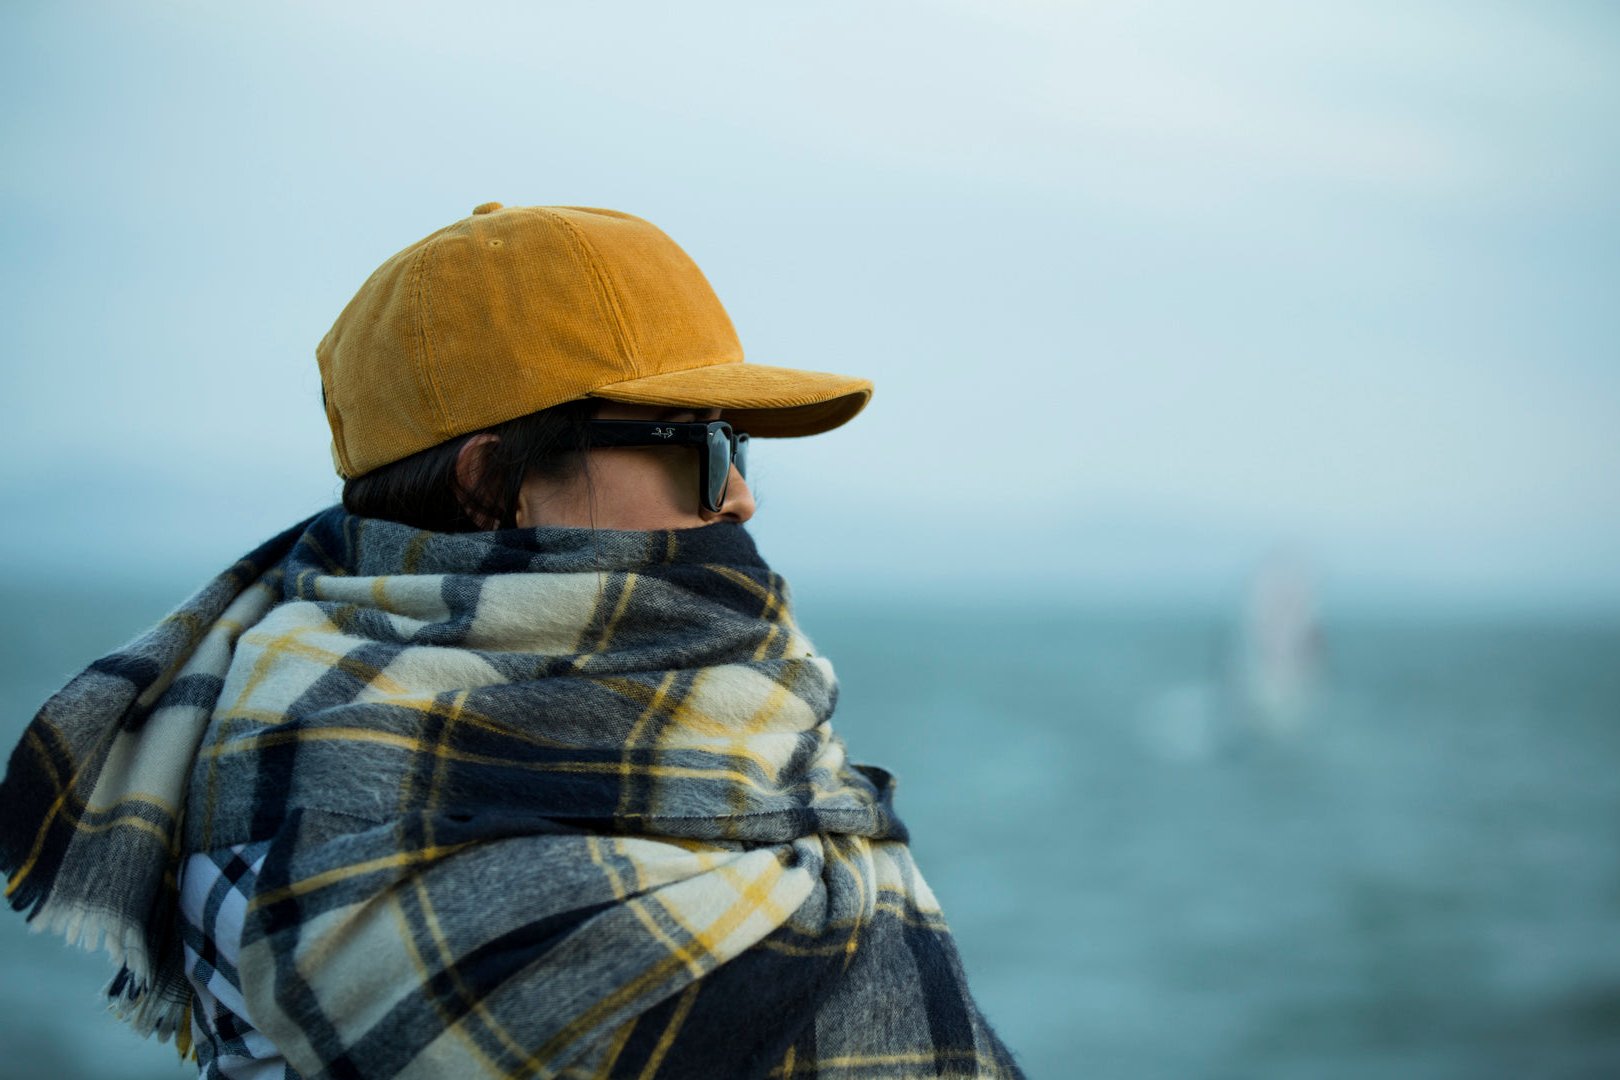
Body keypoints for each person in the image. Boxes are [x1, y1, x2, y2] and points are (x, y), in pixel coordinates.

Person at [0, 203, 1025, 1079]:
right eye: (703, 447)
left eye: (742, 447)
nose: (743, 496)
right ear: (495, 480)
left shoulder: (288, 708)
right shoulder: (324, 810)